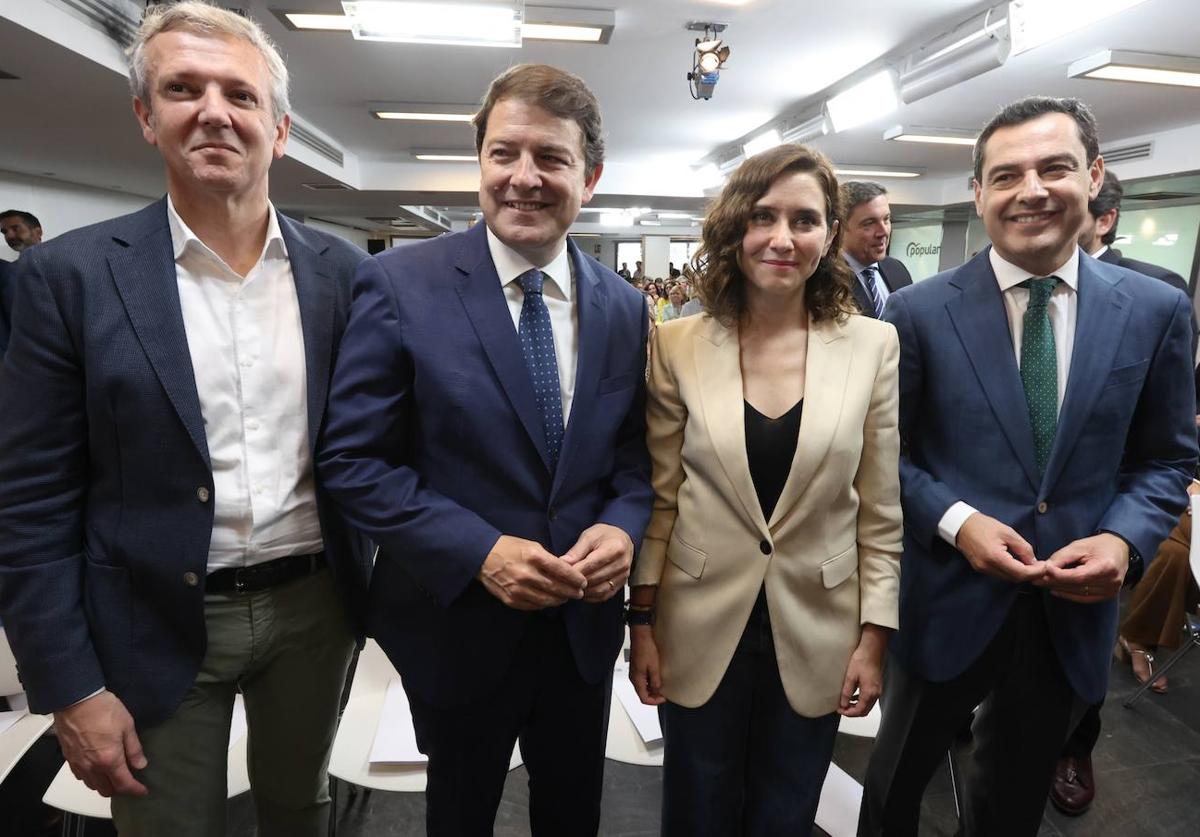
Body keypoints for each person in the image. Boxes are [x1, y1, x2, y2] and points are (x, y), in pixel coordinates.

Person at [0, 4, 372, 835]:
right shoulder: (70, 279)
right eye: (182, 88)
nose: (213, 110)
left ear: (278, 130)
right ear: (145, 115)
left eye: (239, 94)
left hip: (317, 607)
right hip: (149, 614)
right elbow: (29, 503)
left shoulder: (344, 277)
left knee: (300, 809)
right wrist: (69, 683)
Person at [317, 63, 653, 836]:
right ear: (480, 163)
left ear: (590, 177)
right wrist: (479, 550)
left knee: (574, 813)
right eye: (504, 154)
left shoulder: (625, 308)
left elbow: (634, 458)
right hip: (458, 623)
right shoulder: (400, 285)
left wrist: (624, 526)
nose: (524, 178)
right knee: (459, 814)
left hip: (580, 626)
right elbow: (352, 461)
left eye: (551, 159)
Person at [858, 96, 1198, 837]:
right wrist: (958, 521)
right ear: (978, 193)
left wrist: (1122, 540)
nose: (1032, 190)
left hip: (1068, 611)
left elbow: (1166, 456)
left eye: (1055, 167)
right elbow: (885, 452)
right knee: (894, 786)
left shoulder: (1155, 309)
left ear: (1094, 176)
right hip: (946, 598)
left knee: (1010, 801)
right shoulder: (917, 314)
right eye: (1006, 174)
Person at [629, 143, 902, 836]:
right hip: (696, 617)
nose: (783, 238)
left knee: (786, 811)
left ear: (829, 235)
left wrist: (874, 638)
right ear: (734, 231)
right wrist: (641, 623)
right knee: (697, 808)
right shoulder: (678, 343)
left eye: (805, 220)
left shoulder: (873, 346)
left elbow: (880, 509)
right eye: (763, 217)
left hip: (820, 622)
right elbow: (661, 496)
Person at [1050, 166, 1199, 816]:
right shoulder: (987, 289)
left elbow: (1166, 447)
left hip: (1097, 520)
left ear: (1101, 213)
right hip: (995, 526)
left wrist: (1124, 535)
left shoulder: (1156, 295)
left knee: (1077, 664)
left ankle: (1073, 746)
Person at [839, 182, 911, 318]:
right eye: (869, 223)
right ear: (841, 228)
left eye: (886, 219)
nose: (883, 232)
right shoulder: (825, 278)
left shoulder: (897, 270)